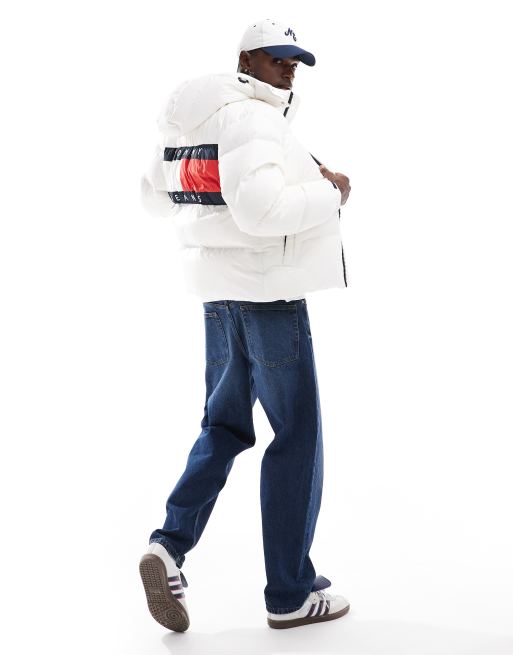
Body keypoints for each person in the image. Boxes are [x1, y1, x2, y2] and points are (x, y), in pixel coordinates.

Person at [138, 18, 352, 631]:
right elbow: (261, 212)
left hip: (218, 296)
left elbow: (155, 196)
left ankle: (168, 547)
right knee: (297, 436)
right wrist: (332, 193)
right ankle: (290, 593)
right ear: (246, 61)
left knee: (225, 425)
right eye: (278, 59)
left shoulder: (192, 119)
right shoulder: (253, 119)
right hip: (268, 297)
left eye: (295, 62)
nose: (289, 70)